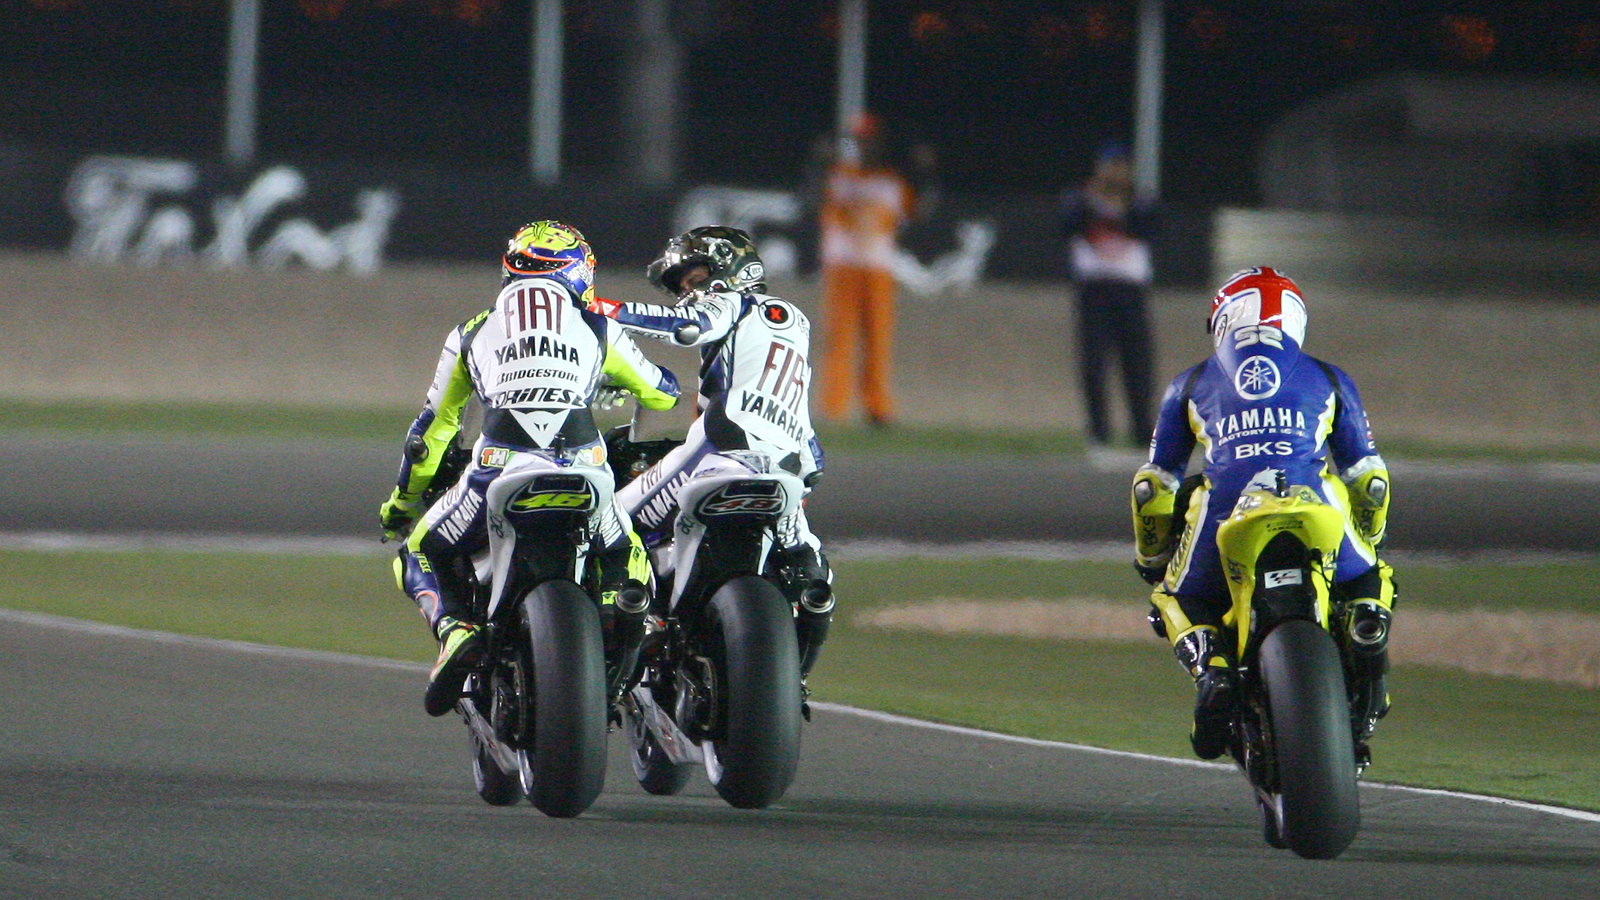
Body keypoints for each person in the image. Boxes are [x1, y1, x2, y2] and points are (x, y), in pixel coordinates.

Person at [378, 220, 681, 717]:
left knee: (419, 549)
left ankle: (455, 630)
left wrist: (402, 502)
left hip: (498, 470)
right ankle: (624, 610)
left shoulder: (471, 331)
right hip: (586, 467)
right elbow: (663, 394)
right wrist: (607, 381)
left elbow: (430, 433)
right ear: (579, 272)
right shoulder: (597, 325)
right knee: (626, 546)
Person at [1129, 267, 1395, 763]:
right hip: (1316, 506)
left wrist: (1151, 554)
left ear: (1224, 321)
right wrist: (1370, 533)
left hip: (1225, 514)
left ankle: (1212, 669)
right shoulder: (1329, 377)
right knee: (1372, 573)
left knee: (1174, 595)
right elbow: (1369, 478)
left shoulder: (1189, 384)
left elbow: (1153, 486)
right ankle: (1367, 623)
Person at [591, 225, 835, 680]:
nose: (689, 294)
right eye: (683, 287)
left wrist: (597, 309)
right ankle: (800, 658)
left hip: (720, 450)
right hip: (792, 461)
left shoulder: (735, 303)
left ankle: (640, 620)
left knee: (609, 521)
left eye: (696, 279)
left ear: (730, 267)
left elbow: (686, 327)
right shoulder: (794, 320)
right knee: (808, 560)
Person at [817, 111, 916, 427]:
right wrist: (820, 162)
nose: (864, 146)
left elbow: (913, 213)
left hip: (877, 267)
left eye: (868, 140)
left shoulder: (891, 180)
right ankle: (834, 407)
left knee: (877, 340)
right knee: (839, 338)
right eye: (860, 141)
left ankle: (877, 407)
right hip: (844, 267)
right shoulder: (839, 175)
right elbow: (814, 196)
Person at [1061, 141, 1159, 450]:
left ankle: (1142, 431)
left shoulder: (1141, 203)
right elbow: (1068, 226)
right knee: (1094, 363)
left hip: (1130, 290)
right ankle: (1099, 431)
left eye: (1121, 166)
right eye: (1111, 166)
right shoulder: (1079, 202)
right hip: (1094, 290)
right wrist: (1096, 200)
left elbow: (1148, 228)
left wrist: (1122, 206)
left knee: (1138, 363)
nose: (1116, 173)